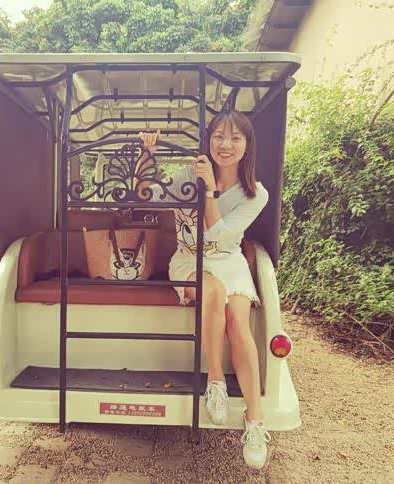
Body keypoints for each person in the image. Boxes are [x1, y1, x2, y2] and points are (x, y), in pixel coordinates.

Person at [135, 111, 271, 469]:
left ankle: (255, 423)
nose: (226, 145)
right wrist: (147, 156)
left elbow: (219, 237)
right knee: (211, 292)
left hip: (229, 260)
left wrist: (209, 189)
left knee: (238, 323)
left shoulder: (255, 194)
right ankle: (215, 381)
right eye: (218, 136)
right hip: (189, 260)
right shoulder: (187, 175)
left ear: (247, 146)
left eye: (235, 138)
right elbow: (144, 196)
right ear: (208, 140)